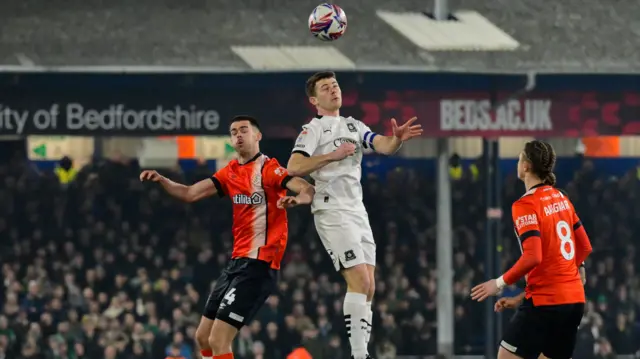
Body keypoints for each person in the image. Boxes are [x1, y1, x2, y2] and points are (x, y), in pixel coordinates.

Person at [140, 115, 315, 359]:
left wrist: (298, 199)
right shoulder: (230, 172)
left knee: (218, 339)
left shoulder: (269, 169)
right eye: (234, 132)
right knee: (203, 337)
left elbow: (307, 188)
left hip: (259, 265)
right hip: (236, 264)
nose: (239, 135)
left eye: (244, 130)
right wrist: (163, 180)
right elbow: (190, 193)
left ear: (258, 136)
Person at [286, 71, 423, 359]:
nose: (334, 90)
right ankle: (359, 355)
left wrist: (396, 139)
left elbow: (383, 145)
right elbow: (294, 166)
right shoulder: (313, 129)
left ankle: (361, 353)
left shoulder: (353, 125)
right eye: (326, 88)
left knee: (369, 286)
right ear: (314, 100)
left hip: (357, 210)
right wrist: (330, 156)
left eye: (335, 85)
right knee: (359, 280)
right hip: (331, 209)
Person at [470, 140, 593, 359]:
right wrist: (522, 297)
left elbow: (533, 256)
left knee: (506, 356)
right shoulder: (562, 197)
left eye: (519, 158)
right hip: (574, 303)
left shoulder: (525, 205)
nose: (518, 162)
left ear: (526, 166)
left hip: (547, 303)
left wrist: (498, 284)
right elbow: (584, 246)